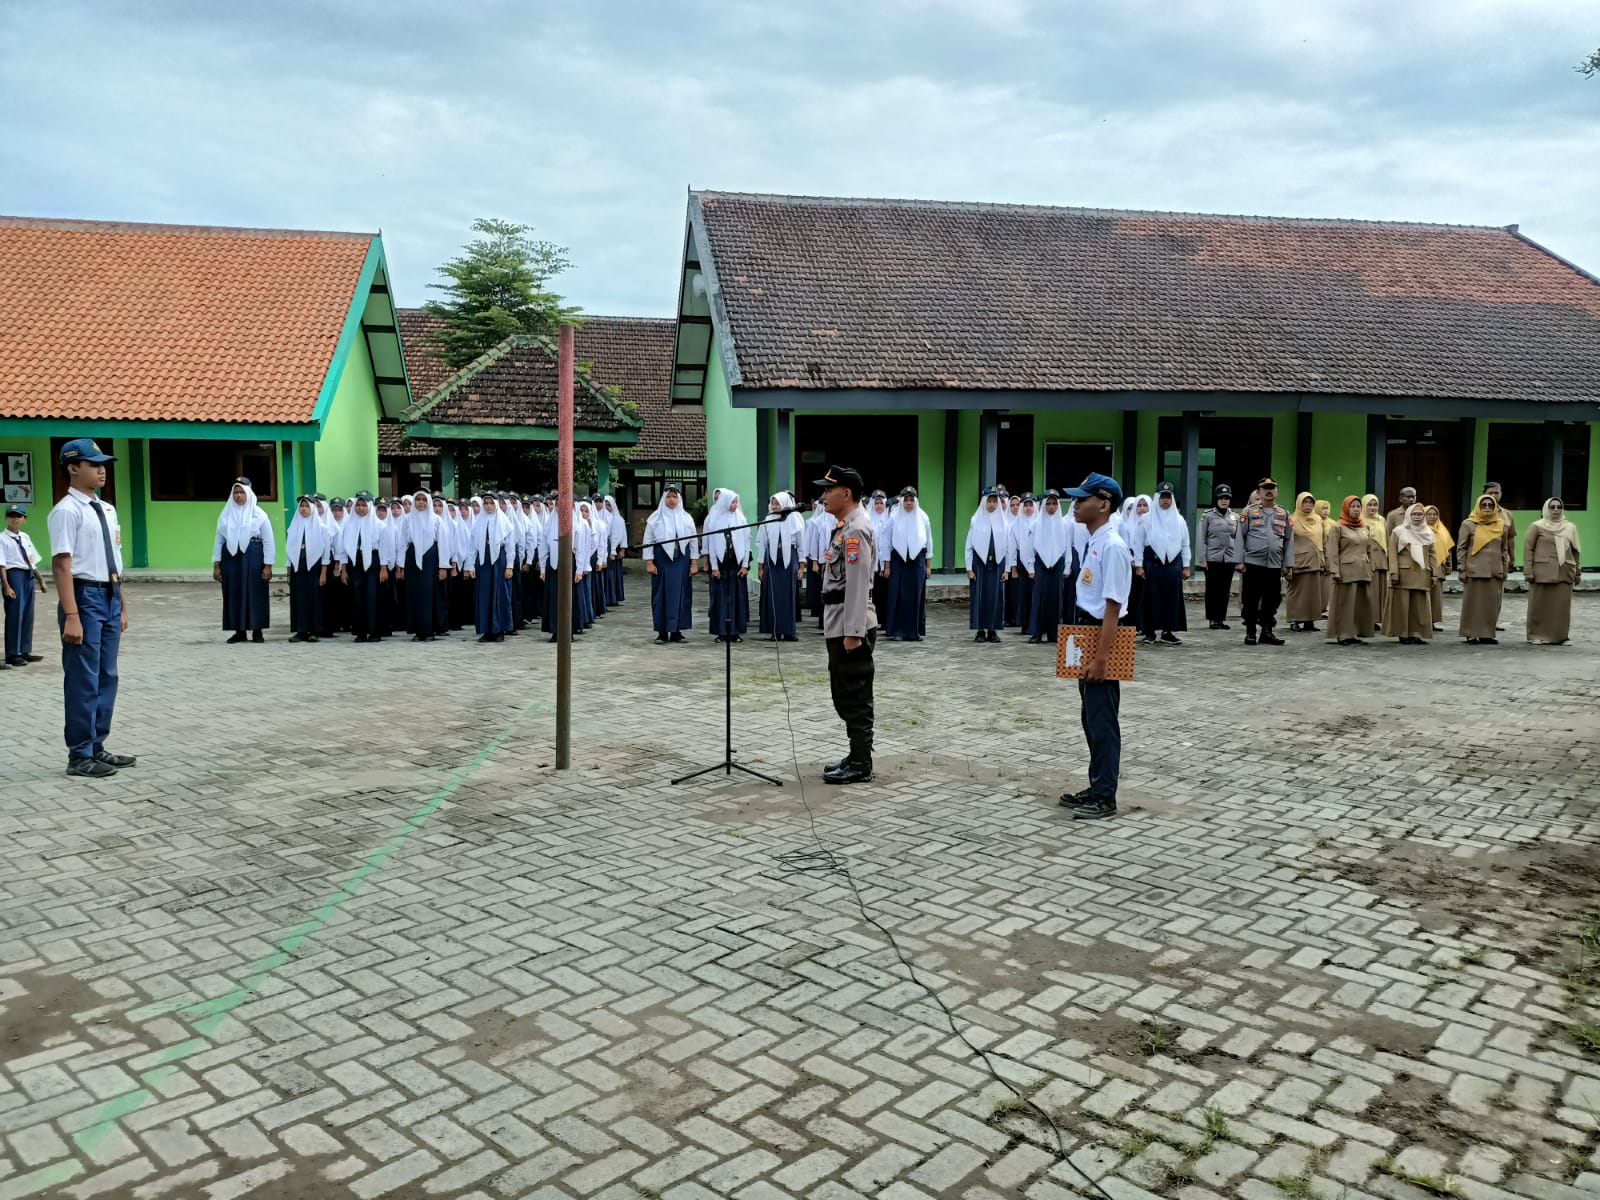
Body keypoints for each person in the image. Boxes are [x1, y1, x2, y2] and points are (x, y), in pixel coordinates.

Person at [48, 439, 134, 778]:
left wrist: (122, 604)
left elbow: (114, 560)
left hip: (109, 594)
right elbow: (61, 565)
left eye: (103, 464)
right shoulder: (66, 511)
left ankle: (97, 745)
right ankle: (79, 754)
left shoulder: (107, 509)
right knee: (84, 678)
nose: (101, 469)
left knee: (107, 675)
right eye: (92, 463)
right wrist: (72, 615)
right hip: (83, 598)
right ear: (72, 467)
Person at [1057, 473, 1131, 822]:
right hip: (1087, 632)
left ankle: (1105, 796)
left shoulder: (1113, 546)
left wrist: (1101, 660)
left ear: (1103, 504)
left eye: (1083, 498)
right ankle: (1096, 784)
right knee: (1091, 717)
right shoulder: (1095, 540)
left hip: (1102, 636)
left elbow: (1113, 607)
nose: (1076, 503)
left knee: (1103, 720)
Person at [814, 466, 878, 785]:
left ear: (847, 494)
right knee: (843, 691)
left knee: (855, 693)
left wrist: (853, 633)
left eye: (829, 490)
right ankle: (855, 754)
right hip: (837, 622)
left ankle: (862, 762)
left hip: (850, 626)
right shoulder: (844, 527)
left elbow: (857, 586)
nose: (824, 496)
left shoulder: (856, 531)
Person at [212, 478, 274, 644]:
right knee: (234, 593)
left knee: (255, 592)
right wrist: (216, 565)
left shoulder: (260, 516)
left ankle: (257, 631)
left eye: (241, 492)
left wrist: (268, 565)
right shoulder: (225, 515)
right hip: (231, 560)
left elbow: (268, 541)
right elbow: (219, 540)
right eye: (235, 493)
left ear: (249, 494)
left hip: (253, 557)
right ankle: (239, 631)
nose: (238, 496)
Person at [1234, 477, 1291, 646]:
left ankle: (1267, 632)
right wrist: (1238, 560)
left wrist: (1287, 563)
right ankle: (1250, 632)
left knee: (1272, 599)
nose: (1269, 491)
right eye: (1265, 488)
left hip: (1274, 564)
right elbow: (1239, 537)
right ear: (1258, 492)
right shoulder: (1249, 512)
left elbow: (1289, 540)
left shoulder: (1283, 513)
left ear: (1277, 491)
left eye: (1272, 488)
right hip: (1253, 563)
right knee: (1251, 599)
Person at [1133, 482, 1190, 645]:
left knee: (1172, 598)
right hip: (1153, 563)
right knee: (1151, 598)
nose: (1165, 500)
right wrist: (1139, 565)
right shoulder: (1145, 519)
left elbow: (1185, 544)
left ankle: (1168, 632)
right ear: (1157, 498)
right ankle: (1149, 632)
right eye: (1162, 497)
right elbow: (1138, 544)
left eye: (1168, 497)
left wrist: (1186, 566)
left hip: (1173, 564)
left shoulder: (1179, 520)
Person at [643, 484, 698, 644]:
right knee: (661, 595)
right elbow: (648, 541)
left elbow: (693, 540)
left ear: (679, 498)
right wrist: (649, 562)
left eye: (674, 496)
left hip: (681, 559)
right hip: (662, 560)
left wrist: (694, 563)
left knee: (681, 594)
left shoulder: (686, 518)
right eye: (669, 496)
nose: (672, 500)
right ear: (664, 498)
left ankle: (677, 631)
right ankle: (662, 632)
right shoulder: (655, 518)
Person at [1525, 497, 1580, 646]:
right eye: (1552, 507)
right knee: (1539, 605)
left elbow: (1575, 551)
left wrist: (1577, 570)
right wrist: (1528, 570)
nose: (1556, 510)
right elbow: (1528, 549)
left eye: (1559, 507)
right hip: (1542, 571)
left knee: (1561, 606)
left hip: (1565, 570)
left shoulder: (1570, 527)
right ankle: (1536, 635)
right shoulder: (1537, 526)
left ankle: (1560, 636)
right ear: (1546, 509)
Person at [1458, 493, 1511, 644]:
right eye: (1484, 505)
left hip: (1495, 570)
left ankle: (1487, 634)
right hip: (1474, 569)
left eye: (1490, 505)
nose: (1487, 508)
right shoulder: (1469, 524)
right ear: (1478, 506)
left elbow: (1504, 549)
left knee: (1491, 604)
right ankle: (1471, 633)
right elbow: (1461, 548)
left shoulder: (1501, 525)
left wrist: (1504, 569)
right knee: (1472, 603)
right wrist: (1462, 569)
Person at [882, 486, 932, 642]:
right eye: (906, 500)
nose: (909, 503)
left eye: (912, 500)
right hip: (898, 561)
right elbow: (886, 542)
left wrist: (928, 566)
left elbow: (929, 542)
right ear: (901, 501)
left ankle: (914, 632)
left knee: (915, 596)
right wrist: (887, 566)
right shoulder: (893, 518)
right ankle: (898, 631)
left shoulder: (923, 517)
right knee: (898, 596)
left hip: (917, 562)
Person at [334, 492, 384, 642]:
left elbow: (385, 548)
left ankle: (375, 632)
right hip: (355, 561)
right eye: (359, 505)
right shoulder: (349, 524)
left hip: (374, 561)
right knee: (357, 596)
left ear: (369, 506)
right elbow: (343, 548)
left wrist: (384, 568)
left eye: (364, 505)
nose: (361, 508)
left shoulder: (379, 525)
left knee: (373, 596)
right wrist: (343, 569)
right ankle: (360, 632)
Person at [1325, 496, 1374, 645]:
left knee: (1359, 604)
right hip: (1345, 571)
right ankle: (1343, 634)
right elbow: (1332, 551)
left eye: (1358, 506)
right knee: (1344, 603)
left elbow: (1369, 550)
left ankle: (1355, 633)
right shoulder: (1338, 527)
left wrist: (1370, 567)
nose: (1356, 509)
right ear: (1346, 508)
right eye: (1353, 506)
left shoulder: (1364, 527)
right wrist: (1335, 571)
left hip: (1362, 570)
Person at [400, 488, 448, 641]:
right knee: (413, 593)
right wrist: (400, 565)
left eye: (424, 500)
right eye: (418, 500)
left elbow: (443, 544)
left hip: (430, 558)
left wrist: (443, 567)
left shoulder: (436, 520)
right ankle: (417, 630)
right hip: (412, 557)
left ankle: (429, 631)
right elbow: (402, 543)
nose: (421, 503)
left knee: (429, 593)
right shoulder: (407, 519)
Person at [1385, 503, 1436, 644]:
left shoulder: (1428, 533)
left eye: (1420, 514)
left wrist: (1434, 573)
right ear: (1408, 515)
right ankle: (1403, 633)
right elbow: (1392, 553)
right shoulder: (1399, 531)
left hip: (1421, 573)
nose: (1417, 517)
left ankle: (1416, 633)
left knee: (1419, 606)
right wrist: (1394, 572)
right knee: (1402, 605)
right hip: (1403, 573)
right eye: (1414, 514)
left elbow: (1432, 554)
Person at [703, 490, 751, 642]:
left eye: (736, 502)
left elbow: (746, 542)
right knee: (721, 599)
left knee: (737, 598)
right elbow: (711, 545)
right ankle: (721, 632)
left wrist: (745, 565)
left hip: (736, 565)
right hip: (722, 565)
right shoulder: (714, 520)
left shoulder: (741, 519)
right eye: (732, 502)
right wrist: (714, 567)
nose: (735, 505)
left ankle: (735, 632)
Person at [2, 503, 45, 668]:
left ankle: (25, 650)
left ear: (24, 519)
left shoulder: (25, 537)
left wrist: (40, 580)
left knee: (28, 615)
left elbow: (32, 561)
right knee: (15, 615)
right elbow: (2, 565)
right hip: (14, 577)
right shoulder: (2, 538)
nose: (15, 519)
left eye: (19, 516)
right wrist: (6, 585)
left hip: (27, 577)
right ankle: (13, 653)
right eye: (12, 516)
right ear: (6, 518)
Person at [758, 491, 803, 641]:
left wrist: (801, 566)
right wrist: (760, 566)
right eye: (773, 503)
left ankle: (789, 630)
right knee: (773, 595)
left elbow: (801, 545)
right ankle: (775, 630)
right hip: (771, 559)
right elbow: (762, 544)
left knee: (788, 595)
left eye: (778, 503)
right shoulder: (768, 519)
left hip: (789, 558)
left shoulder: (795, 519)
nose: (775, 506)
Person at [1026, 491, 1071, 645]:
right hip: (1040, 564)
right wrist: (1031, 568)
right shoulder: (1036, 524)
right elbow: (1029, 548)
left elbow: (1068, 547)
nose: (1051, 507)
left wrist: (1067, 567)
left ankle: (1053, 633)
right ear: (1043, 505)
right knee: (1039, 598)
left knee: (1055, 598)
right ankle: (1036, 632)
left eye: (1054, 504)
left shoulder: (1064, 524)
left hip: (1058, 564)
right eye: (1048, 504)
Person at [965, 487, 1009, 642]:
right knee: (979, 597)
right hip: (979, 565)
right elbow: (969, 547)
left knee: (996, 598)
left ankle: (993, 630)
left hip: (997, 565)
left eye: (994, 501)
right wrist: (969, 568)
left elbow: (1008, 548)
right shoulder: (975, 521)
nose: (991, 504)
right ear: (983, 502)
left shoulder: (1004, 523)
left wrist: (1007, 569)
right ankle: (979, 631)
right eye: (989, 501)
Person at [284, 494, 329, 642]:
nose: (303, 509)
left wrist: (323, 573)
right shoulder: (294, 526)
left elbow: (326, 552)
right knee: (299, 598)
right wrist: (289, 569)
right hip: (298, 566)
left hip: (315, 567)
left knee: (314, 598)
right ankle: (300, 630)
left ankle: (315, 631)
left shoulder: (322, 527)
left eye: (306, 506)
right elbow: (289, 548)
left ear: (312, 508)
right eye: (301, 506)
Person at [1285, 491, 1327, 633]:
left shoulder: (1318, 519)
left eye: (1310, 502)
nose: (1308, 505)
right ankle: (1295, 619)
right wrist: (1287, 563)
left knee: (1313, 593)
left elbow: (1323, 540)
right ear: (1299, 503)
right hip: (1299, 561)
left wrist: (1324, 558)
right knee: (1296, 592)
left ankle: (1310, 620)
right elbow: (1287, 542)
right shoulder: (1292, 519)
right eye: (1305, 502)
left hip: (1315, 561)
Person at [1199, 484, 1238, 629]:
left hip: (1229, 558)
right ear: (1216, 499)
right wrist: (1202, 559)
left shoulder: (1235, 516)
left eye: (1226, 498)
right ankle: (1212, 619)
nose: (1224, 501)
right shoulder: (1207, 516)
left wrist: (1238, 558)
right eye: (1221, 498)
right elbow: (1202, 538)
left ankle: (1221, 618)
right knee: (1212, 590)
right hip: (1212, 558)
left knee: (1225, 589)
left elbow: (1237, 539)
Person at [1362, 494, 1390, 635]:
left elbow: (1387, 537)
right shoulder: (1360, 521)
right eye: (1369, 505)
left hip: (1381, 559)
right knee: (1370, 591)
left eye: (1375, 505)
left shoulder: (1381, 520)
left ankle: (1375, 619)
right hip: (1369, 559)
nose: (1372, 508)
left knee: (1380, 591)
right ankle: (1366, 619)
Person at [1424, 505, 1453, 631]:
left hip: (1439, 566)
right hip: (1426, 566)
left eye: (1434, 514)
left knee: (1436, 596)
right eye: (1428, 514)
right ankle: (1424, 621)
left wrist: (1448, 565)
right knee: (1426, 595)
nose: (1432, 517)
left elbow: (1448, 549)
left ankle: (1433, 621)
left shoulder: (1442, 530)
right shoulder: (1421, 530)